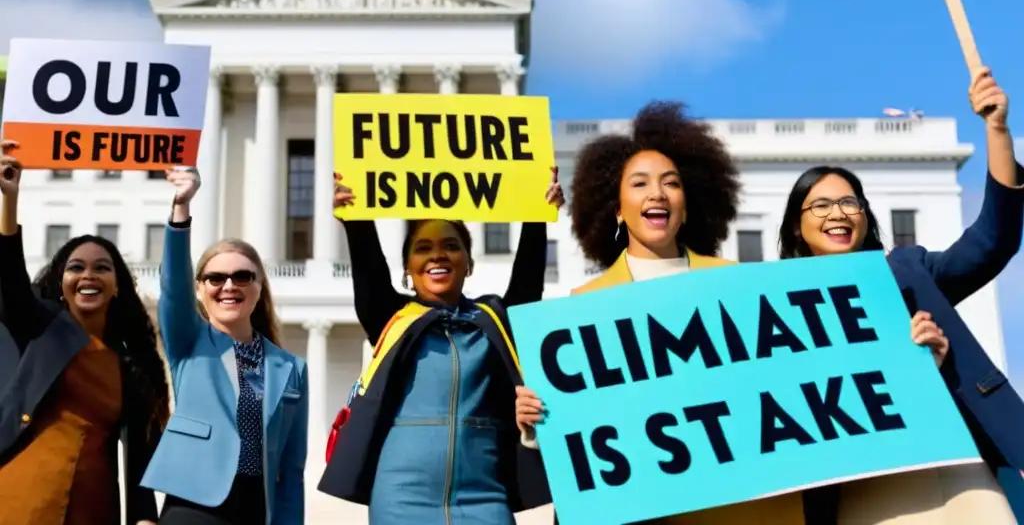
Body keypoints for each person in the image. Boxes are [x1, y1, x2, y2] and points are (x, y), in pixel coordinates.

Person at [513, 103, 950, 525]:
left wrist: (906, 361)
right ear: (616, 208)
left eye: (671, 182)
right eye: (640, 184)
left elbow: (817, 381)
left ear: (688, 203)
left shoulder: (743, 285)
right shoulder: (584, 306)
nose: (658, 194)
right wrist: (539, 422)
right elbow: (592, 437)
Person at [776, 66, 1024, 524]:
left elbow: (992, 243)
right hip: (865, 485)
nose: (839, 213)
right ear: (797, 224)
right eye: (821, 205)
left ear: (866, 216)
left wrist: (996, 129)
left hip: (957, 471)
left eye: (851, 202)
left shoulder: (908, 271)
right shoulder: (777, 308)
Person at [317, 167, 564, 524]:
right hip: (400, 499)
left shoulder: (494, 319)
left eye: (451, 246)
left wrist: (537, 215)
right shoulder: (392, 318)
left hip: (486, 496)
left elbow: (527, 280)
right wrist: (355, 219)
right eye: (423, 248)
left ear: (469, 263)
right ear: (408, 267)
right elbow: (369, 269)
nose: (438, 255)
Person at [0, 140, 169, 525]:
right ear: (61, 284)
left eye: (102, 268)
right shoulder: (40, 331)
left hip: (93, 509)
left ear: (117, 286)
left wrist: (145, 518)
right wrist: (10, 199)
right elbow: (9, 277)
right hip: (19, 502)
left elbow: (140, 456)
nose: (88, 275)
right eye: (76, 267)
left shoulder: (132, 366)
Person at [140, 168, 308, 525]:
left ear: (259, 287)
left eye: (242, 276)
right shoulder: (189, 342)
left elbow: (292, 470)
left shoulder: (291, 368)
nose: (229, 285)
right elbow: (173, 287)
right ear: (200, 289)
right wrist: (181, 209)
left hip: (256, 508)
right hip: (194, 503)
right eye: (216, 277)